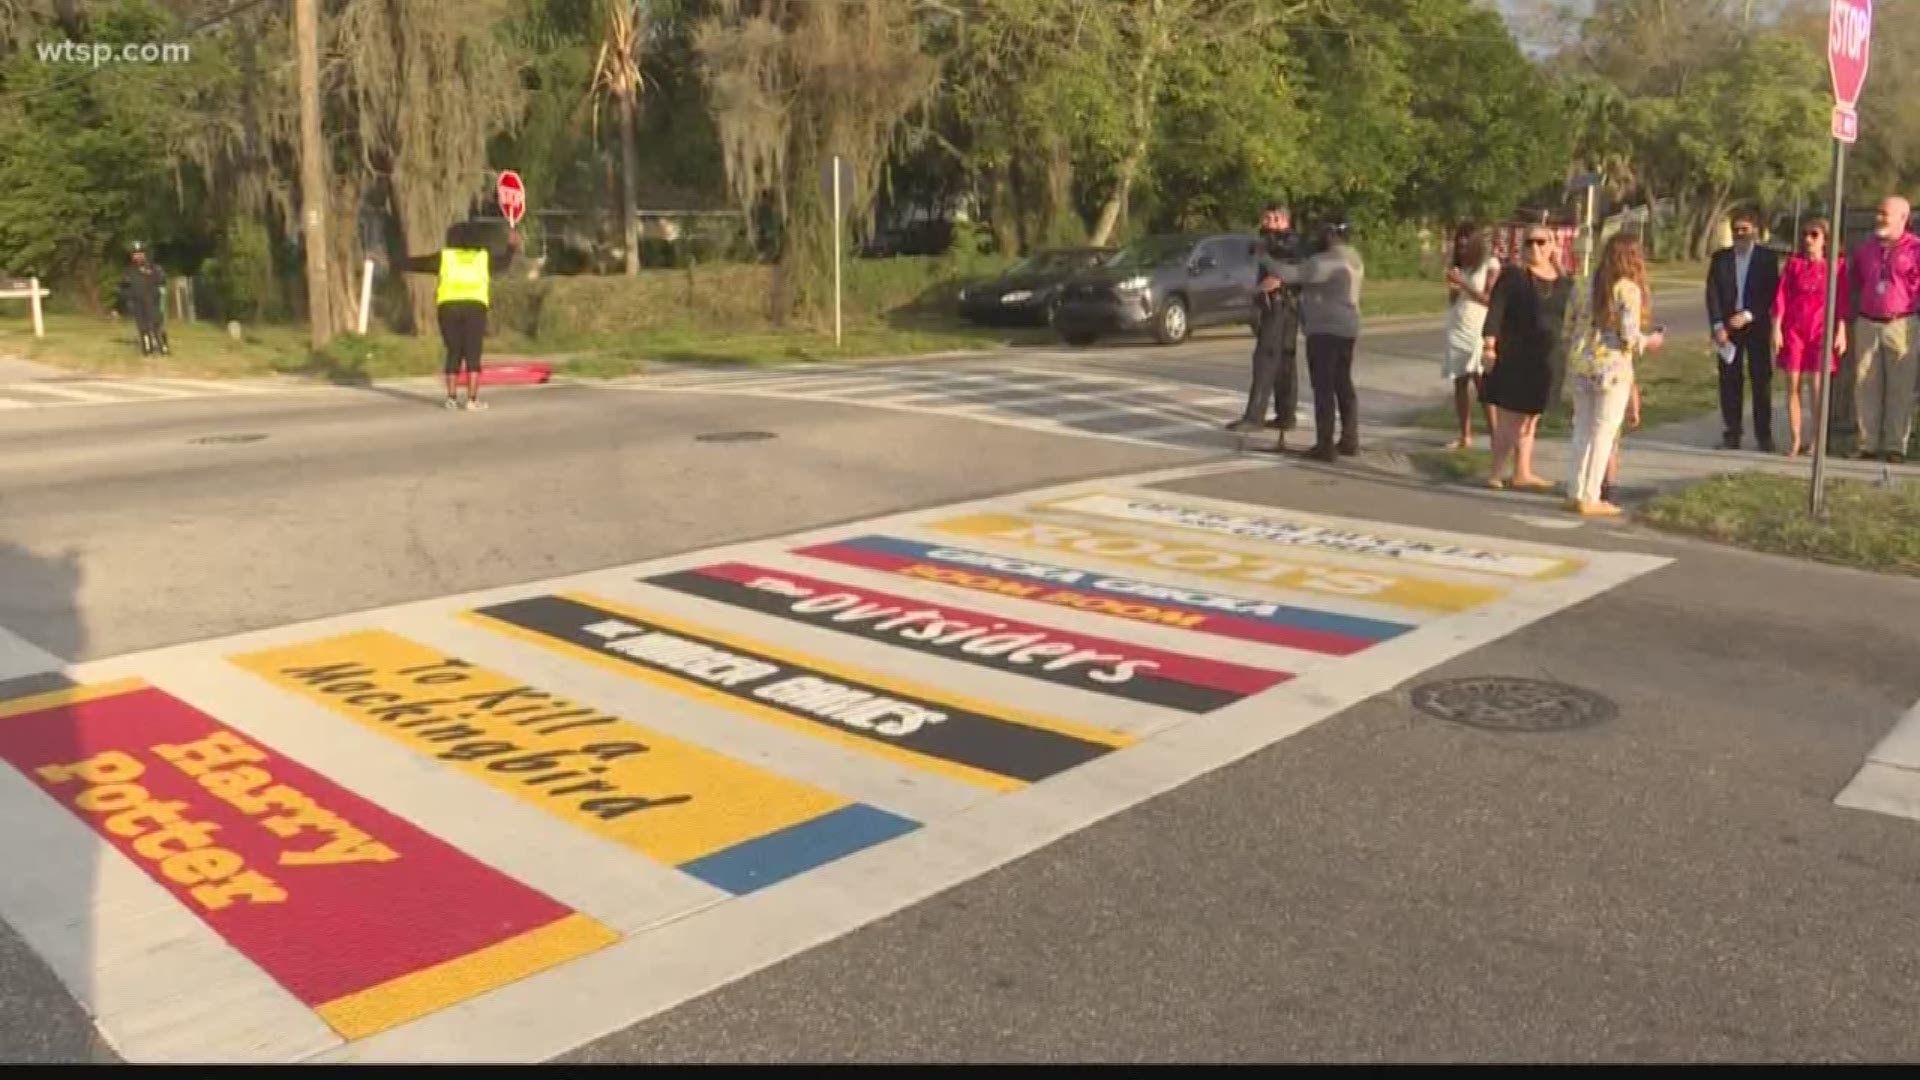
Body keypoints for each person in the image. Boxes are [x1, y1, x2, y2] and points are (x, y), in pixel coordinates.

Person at [1565, 233, 1664, 517]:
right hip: (1612, 368)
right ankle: (1592, 495)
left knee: (1581, 428)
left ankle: (1575, 489)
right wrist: (1650, 341)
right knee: (1604, 432)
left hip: (1582, 363)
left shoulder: (1583, 285)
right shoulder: (1627, 289)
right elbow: (1629, 336)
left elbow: (1569, 325)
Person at [1480, 226, 1574, 492]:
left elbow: (1573, 308)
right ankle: (1497, 471)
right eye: (1529, 243)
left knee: (1532, 417)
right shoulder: (1514, 276)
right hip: (1516, 354)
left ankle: (1523, 471)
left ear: (1553, 244)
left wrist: (1558, 262)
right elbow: (1495, 311)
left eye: (1541, 242)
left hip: (1547, 356)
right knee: (1510, 416)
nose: (1535, 247)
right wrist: (1489, 345)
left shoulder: (1562, 280)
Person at [402, 220, 522, 411]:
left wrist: (398, 261)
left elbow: (419, 263)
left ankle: (451, 398)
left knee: (453, 351)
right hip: (475, 307)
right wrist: (511, 247)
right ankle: (472, 400)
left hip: (448, 308)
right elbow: (503, 264)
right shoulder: (483, 258)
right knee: (473, 353)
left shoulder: (446, 258)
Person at [1273, 218, 1364, 462]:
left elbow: (1289, 274)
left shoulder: (1325, 262)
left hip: (1325, 330)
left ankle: (1325, 445)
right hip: (1347, 327)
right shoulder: (1353, 257)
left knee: (1323, 387)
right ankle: (1349, 439)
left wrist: (1265, 258)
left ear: (1331, 235)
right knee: (1342, 383)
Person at [1845, 195, 1920, 463]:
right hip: (1867, 322)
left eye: (1885, 214)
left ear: (1903, 218)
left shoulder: (1915, 249)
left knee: (1900, 388)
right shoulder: (1865, 249)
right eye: (1878, 212)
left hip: (1901, 324)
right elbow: (1855, 282)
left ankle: (1894, 446)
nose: (1879, 218)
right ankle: (1867, 444)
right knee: (1865, 385)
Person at [1770, 217, 1849, 459]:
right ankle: (1795, 439)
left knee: (1817, 387)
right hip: (1795, 329)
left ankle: (1817, 439)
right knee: (1792, 385)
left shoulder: (1836, 266)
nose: (1808, 240)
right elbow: (1781, 297)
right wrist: (1777, 327)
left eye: (1814, 235)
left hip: (1821, 330)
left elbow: (1842, 300)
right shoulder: (1794, 265)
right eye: (1805, 234)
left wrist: (1841, 330)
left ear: (1825, 239)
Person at [1705, 206, 1782, 451]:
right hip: (1728, 329)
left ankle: (1764, 435)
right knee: (1729, 381)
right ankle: (1732, 432)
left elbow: (1771, 293)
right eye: (1736, 230)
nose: (1740, 234)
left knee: (1761, 381)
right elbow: (1712, 293)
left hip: (1756, 326)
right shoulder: (1721, 259)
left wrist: (1749, 314)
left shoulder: (1767, 259)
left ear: (1755, 231)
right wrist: (1718, 325)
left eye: (1744, 230)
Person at [1228, 203, 1301, 443]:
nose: (1266, 223)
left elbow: (1284, 266)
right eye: (1265, 218)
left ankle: (1255, 416)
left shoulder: (1289, 242)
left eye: (1272, 219)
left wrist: (1266, 282)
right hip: (1280, 307)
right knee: (1282, 362)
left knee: (1267, 359)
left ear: (1283, 220)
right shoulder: (1277, 243)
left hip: (1281, 307)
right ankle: (1285, 414)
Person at [1441, 223, 1500, 449]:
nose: (1463, 251)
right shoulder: (1460, 267)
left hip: (1479, 327)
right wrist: (1454, 288)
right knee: (1460, 382)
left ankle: (1496, 435)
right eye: (1459, 247)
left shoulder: (1489, 265)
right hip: (1457, 325)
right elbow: (1453, 300)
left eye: (1467, 246)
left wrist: (1464, 284)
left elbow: (1489, 299)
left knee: (1482, 383)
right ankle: (1465, 435)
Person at [115, 241, 169, 357]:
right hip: (137, 302)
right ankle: (147, 348)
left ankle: (163, 347)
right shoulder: (128, 271)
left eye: (140, 253)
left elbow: (162, 280)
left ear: (144, 254)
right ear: (132, 256)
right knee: (142, 326)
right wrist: (122, 304)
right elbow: (123, 288)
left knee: (156, 324)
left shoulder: (153, 267)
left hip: (153, 300)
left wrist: (159, 284)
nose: (138, 256)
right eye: (135, 254)